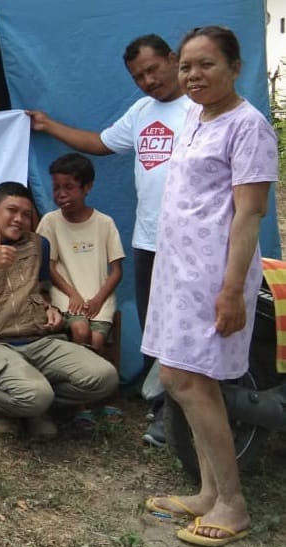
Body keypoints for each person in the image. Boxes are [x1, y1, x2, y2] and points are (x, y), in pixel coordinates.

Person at [142, 26, 277, 547]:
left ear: (235, 67)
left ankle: (233, 505)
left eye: (207, 65)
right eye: (187, 67)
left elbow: (250, 214)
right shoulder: (196, 118)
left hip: (214, 277)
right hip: (179, 271)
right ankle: (206, 491)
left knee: (195, 383)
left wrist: (229, 290)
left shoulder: (249, 127)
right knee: (178, 380)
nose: (194, 76)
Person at [26, 33, 193, 446]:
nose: (148, 81)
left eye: (153, 70)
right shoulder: (142, 112)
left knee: (186, 330)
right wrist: (48, 125)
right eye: (139, 76)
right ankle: (162, 413)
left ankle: (186, 416)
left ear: (173, 60)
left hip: (193, 243)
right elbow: (99, 144)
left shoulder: (202, 109)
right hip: (150, 240)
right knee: (156, 328)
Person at [0, 181, 118, 439]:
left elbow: (42, 289)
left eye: (26, 214)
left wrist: (50, 308)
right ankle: (3, 404)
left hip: (40, 340)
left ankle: (30, 404)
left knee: (105, 377)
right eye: (11, 210)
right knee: (36, 395)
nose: (19, 219)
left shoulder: (39, 244)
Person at [36, 153, 125, 423]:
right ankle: (83, 406)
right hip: (66, 299)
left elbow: (117, 270)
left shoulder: (104, 223)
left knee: (96, 340)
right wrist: (73, 293)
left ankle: (94, 399)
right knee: (80, 329)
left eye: (69, 187)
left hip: (100, 298)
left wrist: (98, 299)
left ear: (87, 187)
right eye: (56, 188)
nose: (61, 194)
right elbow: (47, 265)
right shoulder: (50, 222)